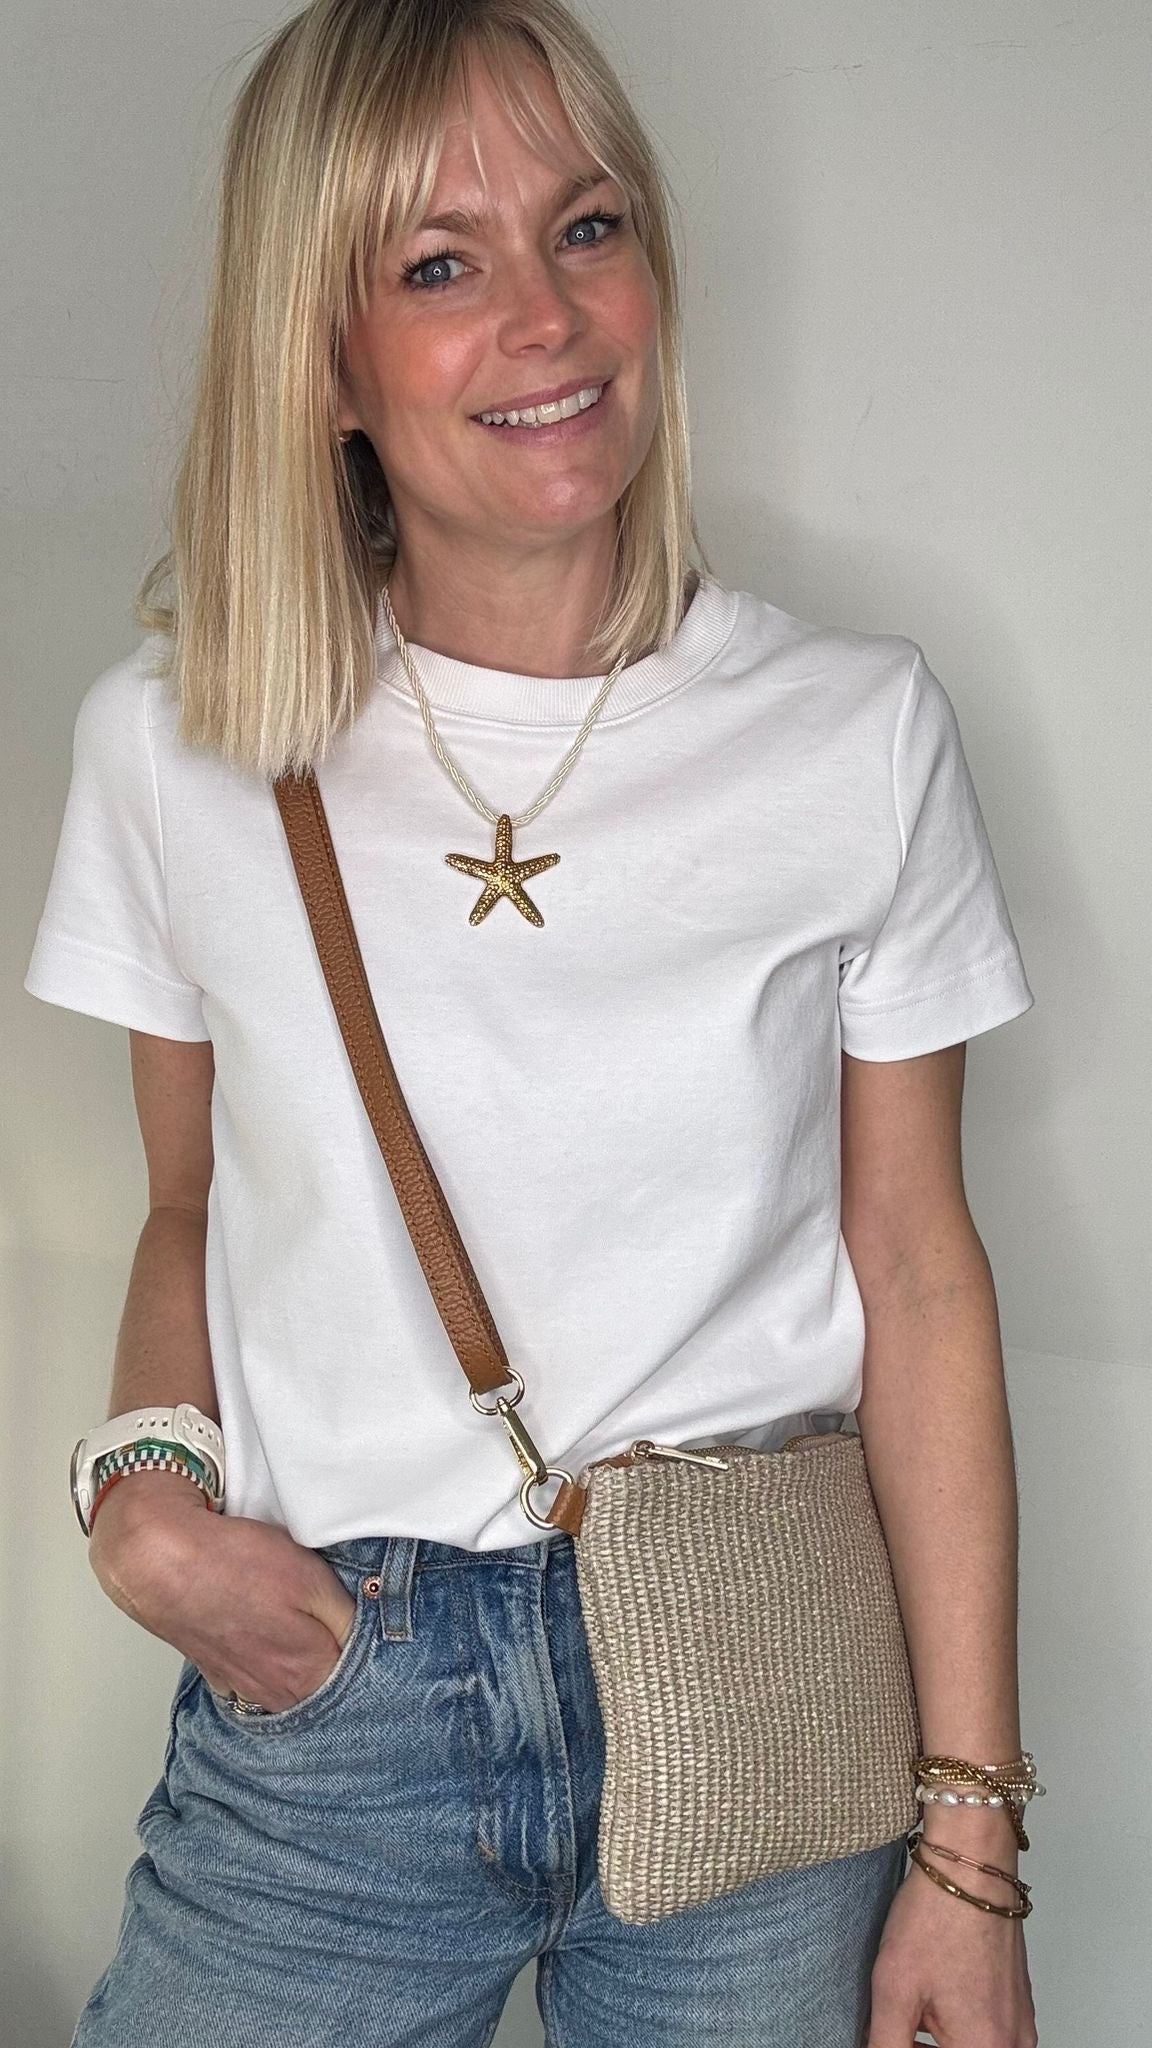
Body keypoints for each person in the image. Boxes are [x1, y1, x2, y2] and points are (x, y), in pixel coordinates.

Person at [25, 2, 1042, 2043]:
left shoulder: (855, 730)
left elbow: (917, 1269)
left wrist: (971, 1848)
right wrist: (141, 1496)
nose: (548, 319)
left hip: (756, 1683)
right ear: (323, 355)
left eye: (587, 228)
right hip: (338, 1700)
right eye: (435, 264)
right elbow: (187, 1202)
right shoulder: (180, 743)